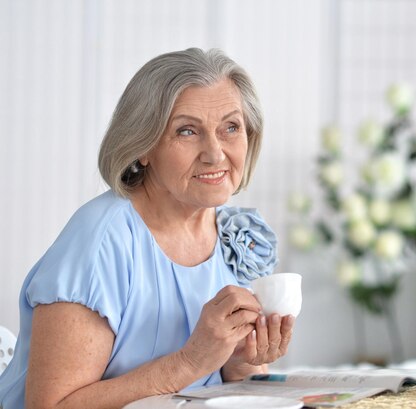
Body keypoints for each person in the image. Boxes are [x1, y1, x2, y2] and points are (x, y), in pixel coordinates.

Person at [0, 48, 295, 408]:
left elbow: (222, 382)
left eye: (230, 127)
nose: (215, 153)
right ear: (144, 147)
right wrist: (190, 362)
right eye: (187, 131)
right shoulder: (101, 241)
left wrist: (237, 361)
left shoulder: (237, 235)